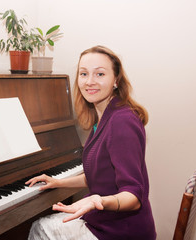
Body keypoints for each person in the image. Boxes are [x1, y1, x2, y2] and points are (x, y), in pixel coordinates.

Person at [26, 45, 156, 240]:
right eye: (83, 74)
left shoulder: (122, 122)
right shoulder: (106, 115)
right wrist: (58, 182)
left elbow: (134, 196)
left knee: (41, 228)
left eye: (100, 74)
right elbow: (99, 176)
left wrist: (97, 200)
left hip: (121, 232)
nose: (89, 82)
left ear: (116, 80)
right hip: (108, 222)